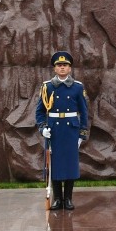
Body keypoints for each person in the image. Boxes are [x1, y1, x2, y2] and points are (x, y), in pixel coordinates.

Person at [36, 51, 89, 210]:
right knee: (55, 165)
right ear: (55, 68)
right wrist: (42, 128)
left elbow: (84, 112)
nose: (62, 68)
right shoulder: (47, 87)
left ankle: (68, 199)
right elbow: (40, 111)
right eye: (59, 65)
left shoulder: (77, 87)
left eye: (65, 65)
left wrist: (82, 134)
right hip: (55, 130)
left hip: (71, 130)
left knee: (70, 164)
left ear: (70, 68)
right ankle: (58, 199)